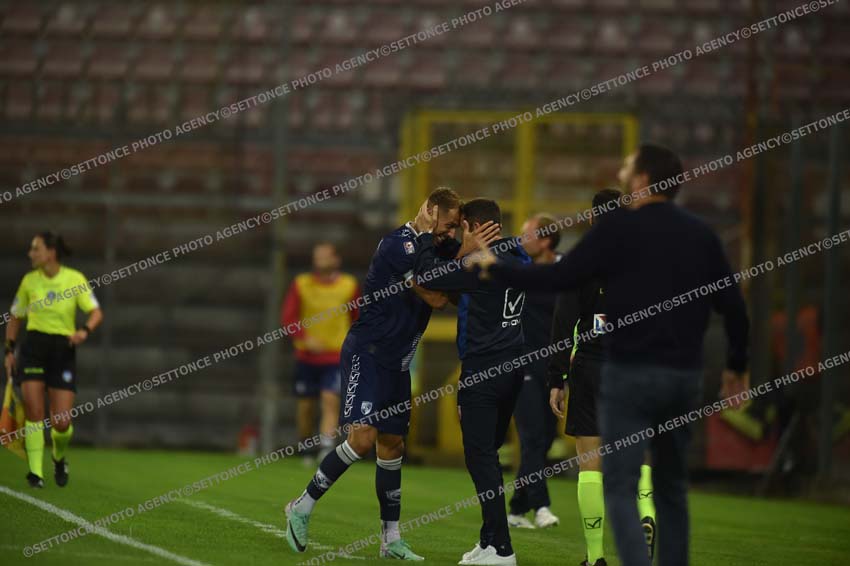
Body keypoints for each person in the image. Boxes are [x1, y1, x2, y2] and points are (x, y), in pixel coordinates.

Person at [469, 144, 750, 566]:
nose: (621, 173)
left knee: (607, 474)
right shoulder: (700, 233)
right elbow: (733, 305)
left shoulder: (617, 232)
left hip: (620, 369)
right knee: (670, 483)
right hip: (682, 374)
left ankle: (599, 556)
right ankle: (655, 529)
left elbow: (560, 281)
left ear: (642, 179)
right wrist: (737, 364)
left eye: (627, 167)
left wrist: (495, 267)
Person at [284, 187, 463, 561]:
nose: (451, 233)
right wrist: (458, 269)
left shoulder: (438, 247)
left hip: (399, 361)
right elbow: (437, 297)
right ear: (430, 210)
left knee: (392, 445)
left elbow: (451, 286)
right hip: (368, 354)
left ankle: (390, 539)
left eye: (456, 228)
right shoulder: (398, 245)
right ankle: (301, 506)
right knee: (362, 439)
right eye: (448, 225)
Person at [413, 198, 526, 566]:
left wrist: (427, 236)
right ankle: (488, 539)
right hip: (513, 368)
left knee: (480, 457)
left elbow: (428, 276)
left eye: (461, 227)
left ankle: (502, 549)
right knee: (488, 454)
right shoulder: (517, 256)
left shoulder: (480, 264)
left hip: (484, 371)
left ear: (472, 227)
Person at [547, 189, 656, 566]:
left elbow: (563, 321)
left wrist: (557, 377)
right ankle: (646, 514)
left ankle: (595, 556)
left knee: (589, 462)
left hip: (592, 367)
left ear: (593, 218)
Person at [4, 232, 103, 488]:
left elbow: (95, 312)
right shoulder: (29, 281)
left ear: (51, 253)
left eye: (35, 248)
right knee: (35, 413)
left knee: (61, 421)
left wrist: (84, 331)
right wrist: (9, 350)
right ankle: (35, 473)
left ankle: (59, 457)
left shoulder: (74, 279)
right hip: (34, 348)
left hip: (62, 350)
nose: (31, 253)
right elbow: (15, 316)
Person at [281, 242, 360, 463]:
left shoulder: (348, 285)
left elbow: (357, 317)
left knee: (330, 399)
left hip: (336, 355)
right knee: (305, 406)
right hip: (307, 356)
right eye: (317, 256)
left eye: (325, 256)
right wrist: (305, 338)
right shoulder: (301, 284)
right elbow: (288, 318)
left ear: (336, 259)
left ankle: (326, 448)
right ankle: (306, 444)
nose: (320, 260)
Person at [507, 213, 562, 531]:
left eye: (526, 234)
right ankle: (541, 506)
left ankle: (516, 508)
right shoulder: (519, 271)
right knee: (532, 437)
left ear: (545, 241)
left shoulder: (567, 273)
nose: (520, 239)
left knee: (545, 441)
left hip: (555, 369)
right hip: (524, 363)